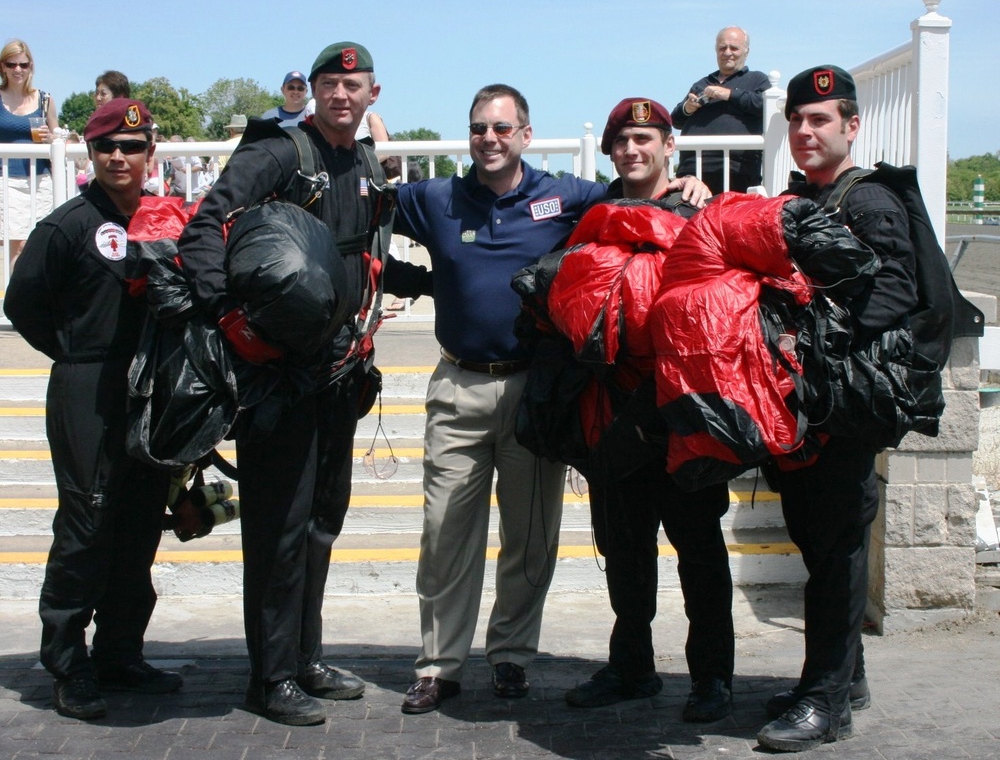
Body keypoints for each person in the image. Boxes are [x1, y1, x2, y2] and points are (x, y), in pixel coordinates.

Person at [389, 83, 709, 715]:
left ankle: (511, 657)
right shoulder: (436, 197)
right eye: (479, 128)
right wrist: (416, 282)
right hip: (458, 384)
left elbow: (632, 191)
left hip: (536, 391)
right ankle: (439, 665)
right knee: (446, 532)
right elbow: (361, 208)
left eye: (502, 128)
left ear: (525, 135)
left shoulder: (565, 196)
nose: (490, 139)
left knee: (531, 535)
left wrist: (689, 183)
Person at [177, 41, 394, 728]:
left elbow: (362, 251)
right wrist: (228, 315)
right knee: (278, 528)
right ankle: (270, 677)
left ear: (372, 96)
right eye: (329, 83)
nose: (340, 94)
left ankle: (305, 660)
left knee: (321, 523)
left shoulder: (361, 161)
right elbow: (203, 228)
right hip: (280, 375)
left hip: (340, 370)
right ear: (314, 91)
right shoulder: (279, 151)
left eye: (352, 85)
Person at [3, 98, 183, 720]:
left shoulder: (169, 222)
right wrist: (76, 356)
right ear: (90, 153)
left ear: (149, 154)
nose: (119, 156)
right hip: (89, 388)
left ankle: (119, 654)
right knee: (87, 524)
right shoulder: (68, 226)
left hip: (152, 394)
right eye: (108, 146)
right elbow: (23, 304)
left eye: (132, 147)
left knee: (138, 525)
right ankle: (67, 662)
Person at [755, 65, 917, 753]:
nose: (804, 130)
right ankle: (842, 678)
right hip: (810, 405)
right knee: (821, 544)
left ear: (852, 126)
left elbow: (897, 291)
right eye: (796, 120)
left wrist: (815, 337)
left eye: (819, 120)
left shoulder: (868, 199)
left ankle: (825, 702)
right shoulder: (804, 198)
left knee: (837, 544)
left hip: (844, 408)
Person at [562, 98, 734, 721]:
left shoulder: (700, 210)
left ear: (669, 144)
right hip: (614, 410)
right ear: (609, 151)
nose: (632, 150)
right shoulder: (594, 210)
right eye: (621, 141)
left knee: (699, 548)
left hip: (683, 409)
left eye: (644, 138)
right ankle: (632, 667)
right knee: (625, 549)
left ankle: (713, 677)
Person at [670, 27, 770, 194]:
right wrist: (688, 107)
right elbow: (676, 120)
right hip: (693, 171)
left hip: (737, 171)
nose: (727, 52)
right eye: (722, 48)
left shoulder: (757, 80)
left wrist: (730, 94)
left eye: (734, 48)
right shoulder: (701, 83)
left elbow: (764, 107)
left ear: (746, 51)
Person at [0, 39, 59, 262]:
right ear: (2, 67)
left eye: (23, 65)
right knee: (17, 247)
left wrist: (50, 138)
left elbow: (59, 136)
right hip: (6, 180)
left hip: (40, 180)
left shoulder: (45, 99)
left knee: (39, 244)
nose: (18, 70)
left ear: (31, 67)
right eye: (11, 64)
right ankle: (18, 297)